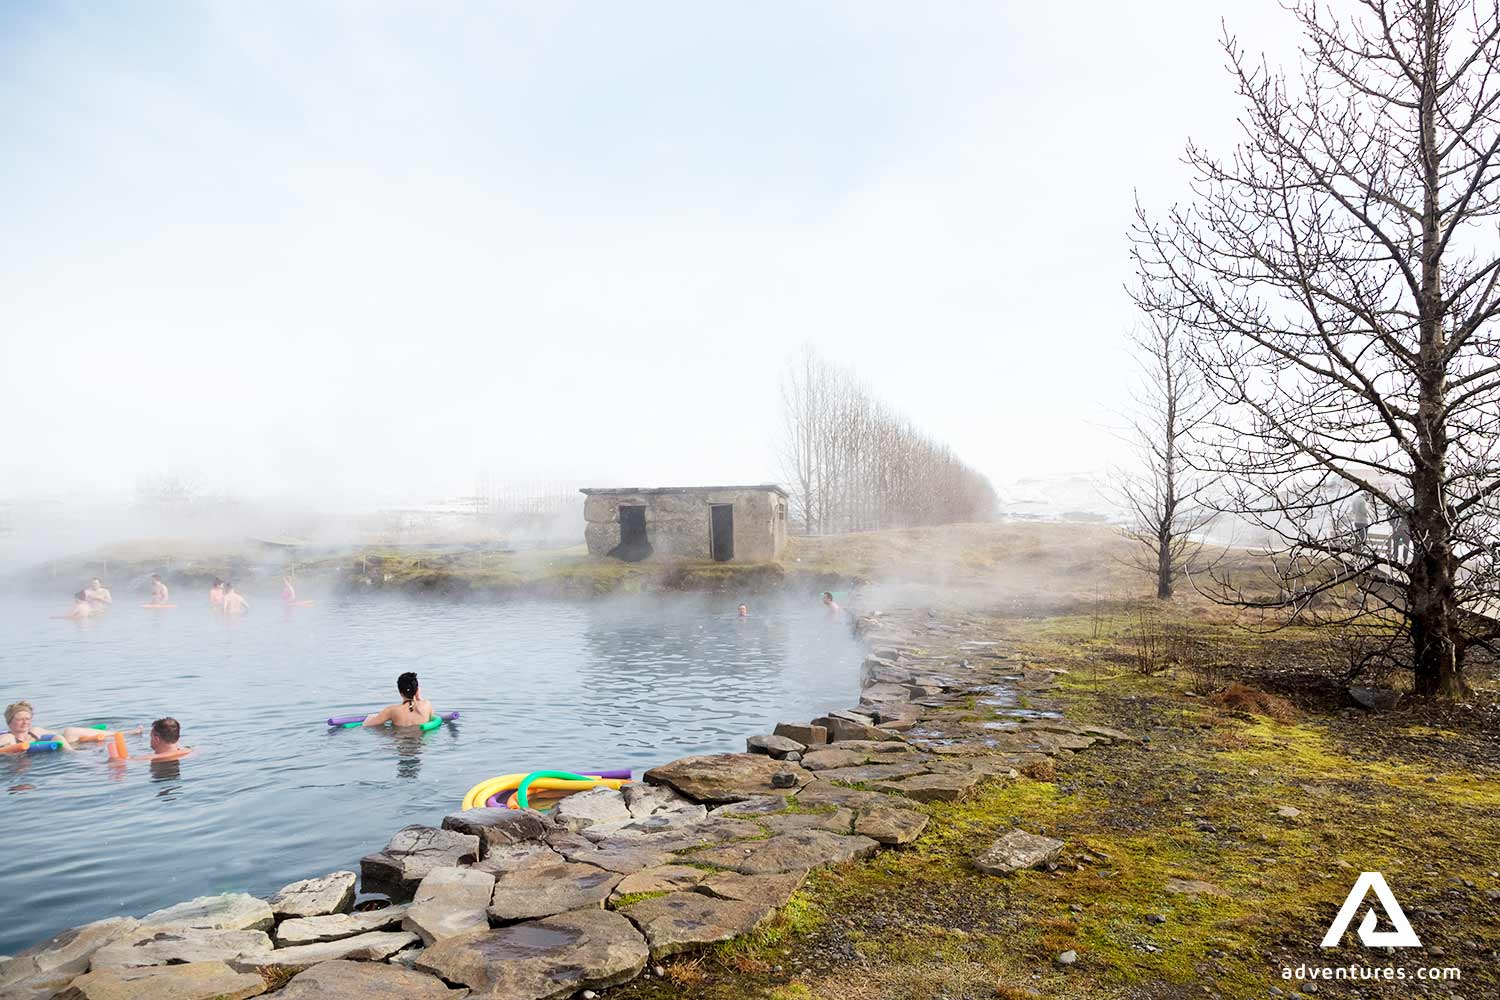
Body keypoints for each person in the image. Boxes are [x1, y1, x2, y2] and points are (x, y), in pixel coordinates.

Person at [362, 671, 436, 727]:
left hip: (400, 742)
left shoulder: (392, 710)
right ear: (417, 690)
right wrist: (418, 697)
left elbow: (367, 725)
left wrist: (370, 717)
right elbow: (432, 718)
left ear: (400, 692)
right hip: (420, 745)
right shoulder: (427, 705)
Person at [2, 701, 78, 750]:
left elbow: (59, 733)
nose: (25, 722)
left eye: (27, 719)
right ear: (9, 722)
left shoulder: (35, 731)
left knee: (69, 732)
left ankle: (73, 754)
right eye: (19, 719)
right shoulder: (8, 737)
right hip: (19, 766)